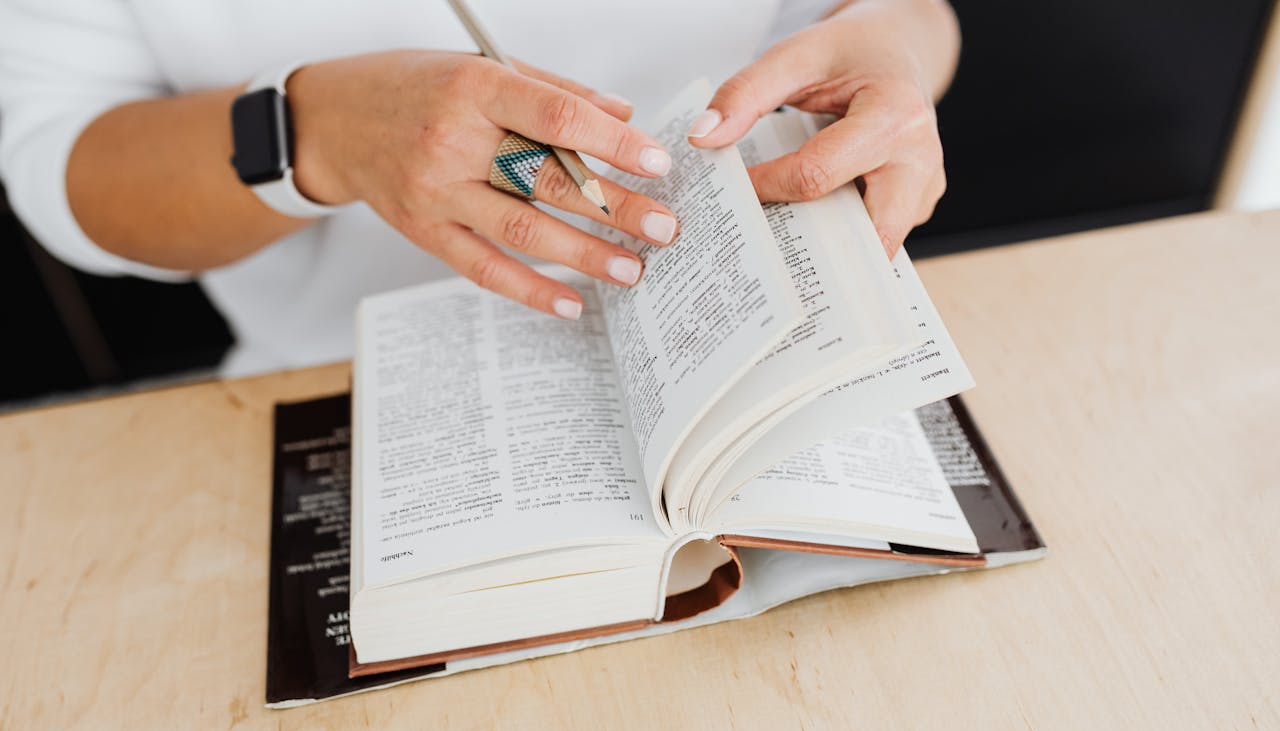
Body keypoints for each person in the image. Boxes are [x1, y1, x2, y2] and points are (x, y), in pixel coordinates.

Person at [0, 0, 959, 376]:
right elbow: (63, 168)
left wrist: (897, 52)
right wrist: (316, 131)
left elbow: (900, 16)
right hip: (348, 385)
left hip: (775, 349)